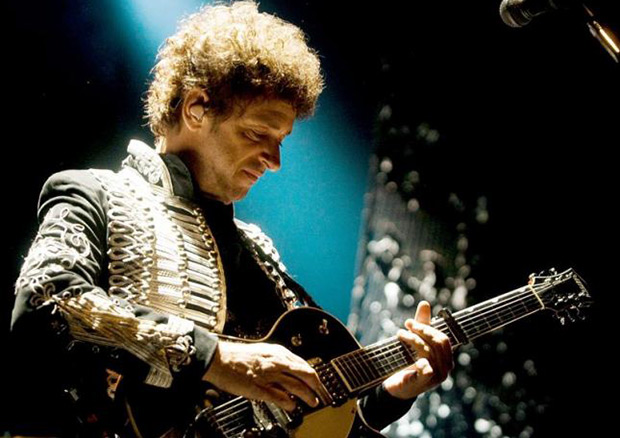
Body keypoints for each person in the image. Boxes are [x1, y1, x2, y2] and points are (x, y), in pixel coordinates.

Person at [11, 1, 453, 437]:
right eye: (258, 133)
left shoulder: (258, 250)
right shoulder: (95, 194)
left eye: (280, 140)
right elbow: (45, 302)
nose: (274, 161)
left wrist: (389, 396)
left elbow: (285, 420)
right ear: (196, 109)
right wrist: (217, 358)